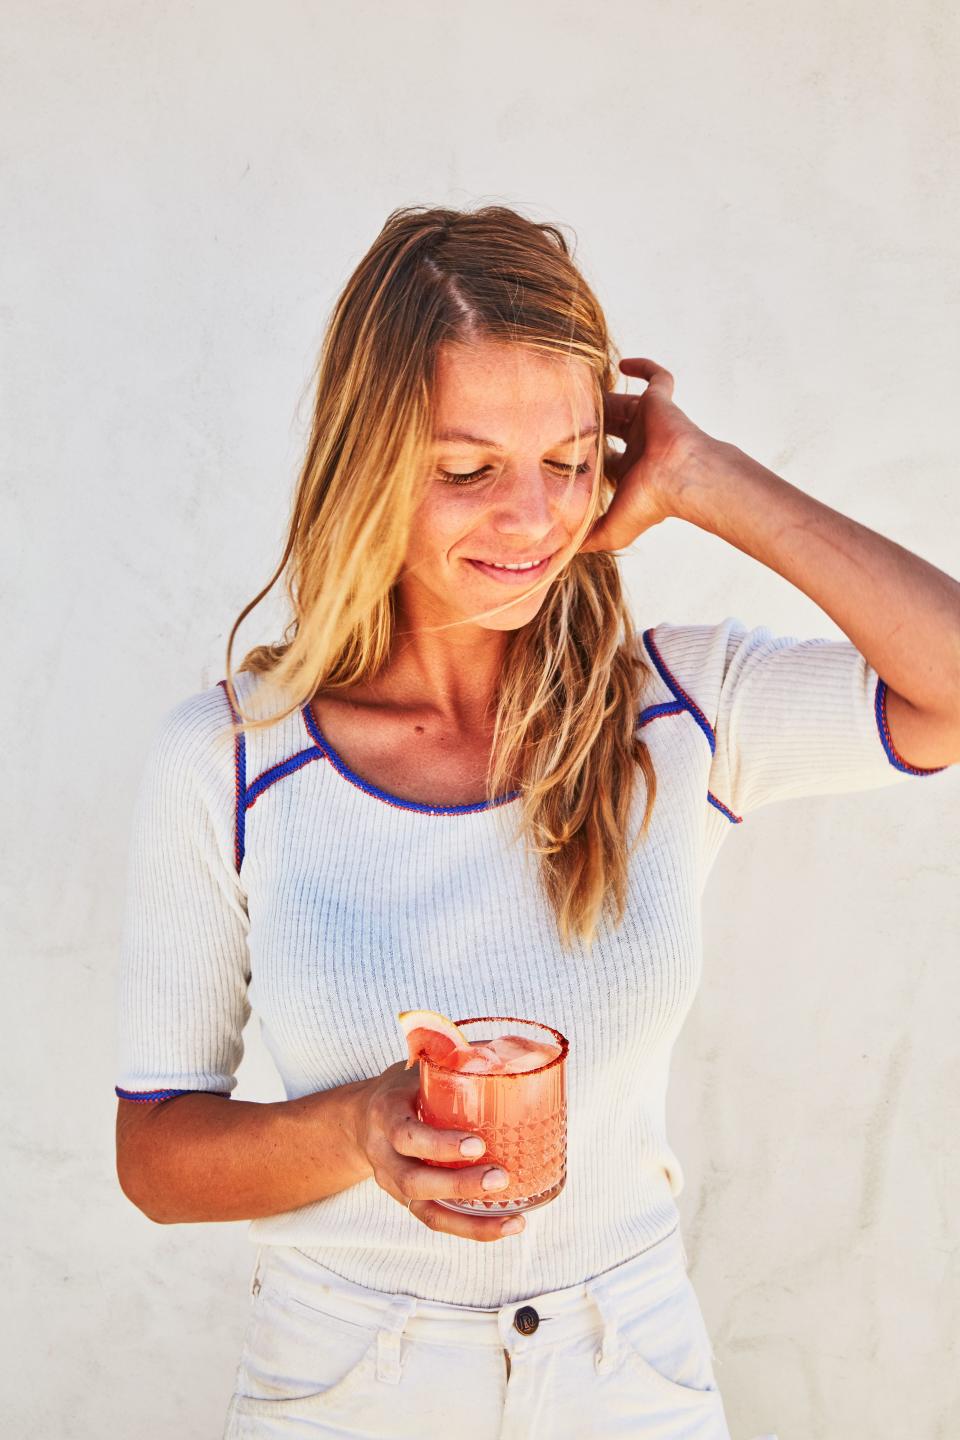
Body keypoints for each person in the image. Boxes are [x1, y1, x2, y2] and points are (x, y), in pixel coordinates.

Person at [113, 204, 958, 1440]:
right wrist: (360, 1127)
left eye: (568, 461)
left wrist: (706, 476)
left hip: (629, 1377)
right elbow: (157, 1159)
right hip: (347, 1386)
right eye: (466, 471)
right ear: (367, 460)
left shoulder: (681, 713)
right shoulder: (231, 761)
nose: (532, 521)